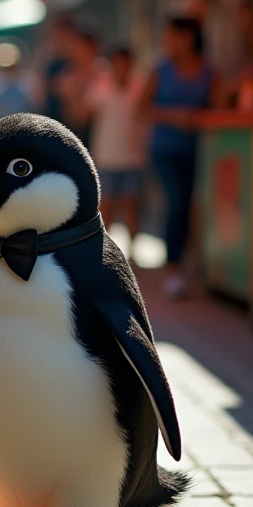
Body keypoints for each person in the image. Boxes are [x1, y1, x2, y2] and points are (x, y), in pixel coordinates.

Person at [142, 16, 221, 300]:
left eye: (172, 35)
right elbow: (142, 109)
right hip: (164, 150)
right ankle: (173, 268)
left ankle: (189, 263)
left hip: (200, 150)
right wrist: (175, 116)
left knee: (190, 204)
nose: (167, 41)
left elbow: (218, 107)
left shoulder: (208, 71)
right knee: (176, 201)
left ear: (188, 37)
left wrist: (197, 118)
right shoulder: (159, 70)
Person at [86, 46, 146, 250]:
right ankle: (104, 249)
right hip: (107, 157)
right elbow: (86, 113)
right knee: (107, 206)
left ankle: (132, 252)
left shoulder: (140, 87)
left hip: (133, 157)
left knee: (131, 206)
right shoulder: (100, 87)